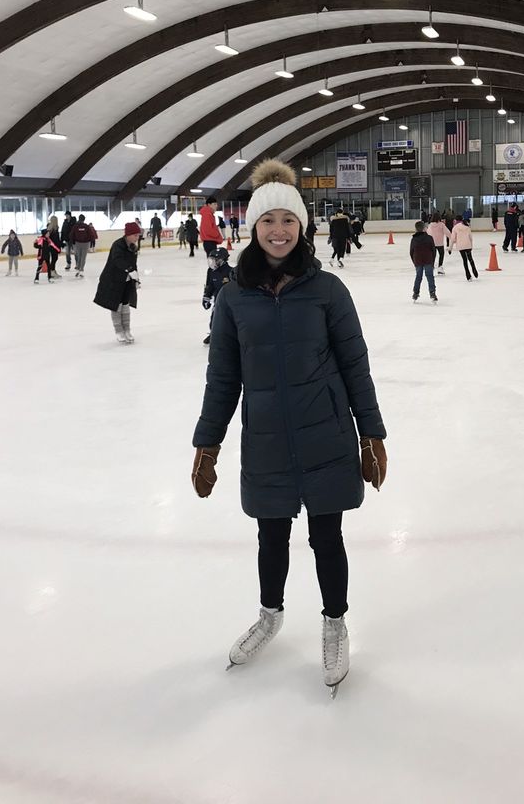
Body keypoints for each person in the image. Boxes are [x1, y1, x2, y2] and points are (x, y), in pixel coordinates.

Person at [191, 160, 387, 695]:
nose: (279, 230)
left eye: (289, 220)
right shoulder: (233, 297)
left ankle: (334, 622)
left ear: (302, 227)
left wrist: (372, 434)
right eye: (268, 220)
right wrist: (207, 444)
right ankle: (270, 616)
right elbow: (223, 377)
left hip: (326, 432)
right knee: (270, 535)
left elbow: (356, 365)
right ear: (252, 228)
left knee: (328, 536)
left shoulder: (327, 291)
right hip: (267, 441)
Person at [93, 222, 141, 343]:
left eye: (138, 235)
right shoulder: (118, 245)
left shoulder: (133, 247)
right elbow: (117, 260)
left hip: (126, 280)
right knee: (116, 305)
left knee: (125, 304)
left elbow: (133, 264)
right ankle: (119, 331)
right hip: (113, 280)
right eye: (135, 235)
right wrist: (129, 270)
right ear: (128, 235)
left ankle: (127, 330)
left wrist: (136, 278)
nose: (137, 238)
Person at [202, 247, 236, 344]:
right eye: (211, 260)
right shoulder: (211, 271)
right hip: (218, 301)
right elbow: (209, 286)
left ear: (222, 261)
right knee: (214, 319)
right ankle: (213, 334)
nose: (212, 263)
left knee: (230, 320)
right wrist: (206, 297)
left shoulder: (231, 272)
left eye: (215, 260)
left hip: (231, 302)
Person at [410, 220, 437, 303]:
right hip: (428, 260)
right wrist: (432, 261)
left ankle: (415, 293)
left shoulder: (414, 239)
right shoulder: (429, 238)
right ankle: (432, 293)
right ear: (424, 229)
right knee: (430, 277)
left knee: (418, 277)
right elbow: (433, 250)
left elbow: (411, 252)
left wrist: (414, 262)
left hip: (418, 260)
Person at [69, 213, 96, 277]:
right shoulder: (86, 226)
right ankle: (81, 270)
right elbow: (92, 235)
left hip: (78, 243)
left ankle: (78, 268)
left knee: (78, 256)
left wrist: (73, 242)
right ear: (84, 219)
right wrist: (90, 241)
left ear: (79, 219)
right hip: (85, 244)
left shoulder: (75, 226)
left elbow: (71, 235)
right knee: (83, 257)